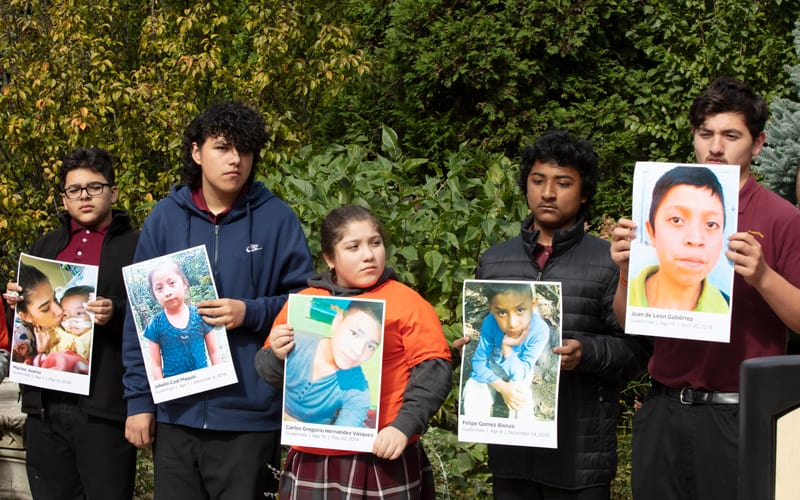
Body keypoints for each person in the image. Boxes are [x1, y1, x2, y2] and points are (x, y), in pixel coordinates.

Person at [610, 77, 800, 500]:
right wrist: (625, 272)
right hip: (664, 408)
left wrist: (764, 278)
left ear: (758, 144)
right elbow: (630, 322)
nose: (716, 147)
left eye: (731, 135)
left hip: (739, 415)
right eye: (706, 134)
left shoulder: (782, 217)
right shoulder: (663, 205)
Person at [122, 101, 314, 499]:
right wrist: (139, 400)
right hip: (176, 415)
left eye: (245, 150)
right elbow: (138, 321)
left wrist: (251, 312)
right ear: (197, 151)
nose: (235, 160)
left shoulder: (277, 218)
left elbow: (308, 305)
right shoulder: (164, 217)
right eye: (223, 147)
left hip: (250, 416)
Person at [461, 130, 651, 499]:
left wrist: (586, 353)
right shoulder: (495, 260)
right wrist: (471, 346)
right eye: (538, 181)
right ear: (526, 187)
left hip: (579, 452)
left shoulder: (610, 263)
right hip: (511, 447)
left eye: (563, 183)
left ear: (583, 195)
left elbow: (637, 352)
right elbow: (485, 341)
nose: (548, 193)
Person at [255, 204, 452, 499]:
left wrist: (403, 427)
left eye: (375, 243)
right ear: (330, 258)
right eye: (353, 247)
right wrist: (277, 355)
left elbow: (434, 370)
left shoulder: (408, 303)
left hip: (383, 453)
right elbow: (268, 371)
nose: (368, 255)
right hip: (312, 455)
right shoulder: (304, 302)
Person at [3, 147, 139, 499]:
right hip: (45, 407)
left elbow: (153, 318)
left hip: (104, 408)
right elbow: (26, 329)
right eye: (74, 190)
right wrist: (16, 304)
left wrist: (116, 311)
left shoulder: (137, 246)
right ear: (64, 199)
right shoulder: (46, 246)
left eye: (94, 187)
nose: (84, 196)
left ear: (113, 192)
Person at [629, 165, 729, 312]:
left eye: (711, 224)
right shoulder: (625, 295)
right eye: (676, 220)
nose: (695, 239)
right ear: (652, 232)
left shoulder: (728, 309)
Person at [281, 299, 382, 427]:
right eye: (355, 333)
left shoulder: (359, 392)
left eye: (370, 346)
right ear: (337, 322)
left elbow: (339, 441)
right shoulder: (293, 344)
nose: (358, 351)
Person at [461, 282, 549, 419]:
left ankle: (522, 437)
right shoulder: (490, 323)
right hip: (494, 366)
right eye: (502, 312)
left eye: (520, 310)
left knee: (521, 396)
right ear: (492, 309)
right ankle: (478, 436)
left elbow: (521, 373)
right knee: (474, 387)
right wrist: (502, 387)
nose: (512, 323)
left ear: (533, 304)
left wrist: (507, 349)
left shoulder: (540, 330)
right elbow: (478, 364)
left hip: (520, 366)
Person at [143, 259, 219, 379]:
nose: (167, 292)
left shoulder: (201, 315)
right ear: (154, 295)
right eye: (159, 288)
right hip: (175, 389)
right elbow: (156, 365)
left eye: (172, 283)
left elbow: (214, 352)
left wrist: (218, 379)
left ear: (184, 284)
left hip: (205, 382)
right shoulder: (154, 325)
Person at [58, 285, 95, 359]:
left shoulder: (92, 336)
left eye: (79, 313)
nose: (71, 319)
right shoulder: (61, 337)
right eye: (65, 315)